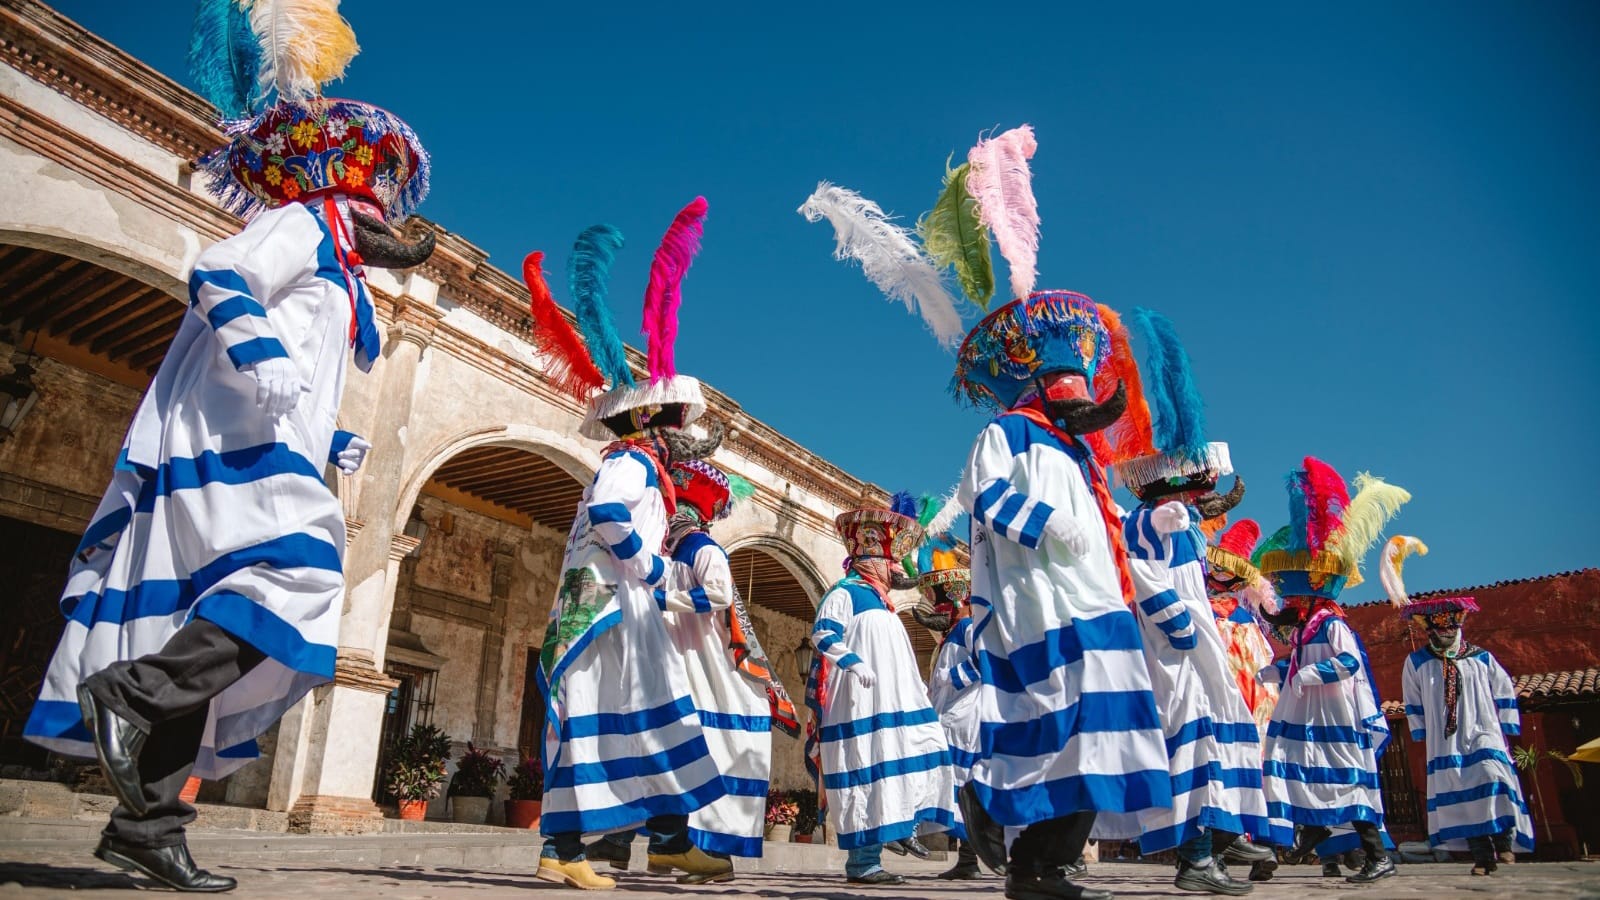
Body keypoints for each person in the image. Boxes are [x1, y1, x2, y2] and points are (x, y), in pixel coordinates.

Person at [22, 5, 433, 890]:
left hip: (265, 441)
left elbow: (305, 368)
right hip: (229, 443)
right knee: (302, 574)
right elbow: (218, 272)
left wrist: (335, 435)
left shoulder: (341, 270)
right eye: (375, 195)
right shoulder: (304, 225)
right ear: (341, 192)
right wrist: (261, 353)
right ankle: (133, 693)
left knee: (198, 619)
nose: (387, 213)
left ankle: (147, 827)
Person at [530, 200, 734, 890]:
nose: (684, 437)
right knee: (595, 717)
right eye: (677, 424)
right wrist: (653, 571)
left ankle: (671, 842)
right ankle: (561, 849)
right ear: (651, 424)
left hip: (627, 608)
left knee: (656, 718)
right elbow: (610, 512)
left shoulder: (648, 467)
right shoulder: (632, 461)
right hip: (607, 609)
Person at [1100, 309, 1272, 895]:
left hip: (1195, 643)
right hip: (1174, 646)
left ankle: (1220, 837)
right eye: (1198, 490)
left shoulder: (1178, 521)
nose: (1203, 500)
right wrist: (1178, 627)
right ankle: (1196, 858)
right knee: (1191, 734)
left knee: (1216, 729)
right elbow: (1141, 573)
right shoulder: (1157, 519)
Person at [585, 460, 799, 883]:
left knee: (703, 754)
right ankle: (626, 841)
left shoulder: (704, 549)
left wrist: (665, 602)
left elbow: (718, 595)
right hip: (674, 661)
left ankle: (710, 856)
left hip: (709, 672)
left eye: (674, 508)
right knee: (653, 749)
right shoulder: (665, 553)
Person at [1256, 458, 1409, 885]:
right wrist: (1279, 671)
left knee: (1345, 781)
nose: (1288, 601)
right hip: (1310, 718)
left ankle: (1376, 855)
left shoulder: (1332, 624)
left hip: (1335, 718)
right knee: (1297, 769)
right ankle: (1312, 831)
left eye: (1293, 595)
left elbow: (1348, 662)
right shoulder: (1307, 628)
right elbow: (1300, 662)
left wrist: (1308, 675)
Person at [806, 496, 957, 885]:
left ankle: (903, 825)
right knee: (866, 774)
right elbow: (823, 633)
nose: (899, 570)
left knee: (925, 749)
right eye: (894, 563)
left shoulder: (885, 605)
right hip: (859, 704)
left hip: (896, 705)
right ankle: (863, 862)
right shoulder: (845, 592)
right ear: (872, 560)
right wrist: (852, 662)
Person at [1391, 537, 1533, 876]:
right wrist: (1420, 731)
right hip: (1446, 739)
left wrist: (1507, 724)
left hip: (1485, 730)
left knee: (1493, 775)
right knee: (1460, 792)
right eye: (1435, 631)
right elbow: (1412, 699)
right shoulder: (1417, 662)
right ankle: (1483, 857)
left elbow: (1503, 688)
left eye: (1447, 629)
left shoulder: (1481, 658)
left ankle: (1505, 839)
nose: (1441, 635)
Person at [1203, 519, 1286, 882]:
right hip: (1232, 705)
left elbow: (1262, 666)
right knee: (1230, 773)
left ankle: (1241, 850)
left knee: (1238, 773)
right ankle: (1234, 851)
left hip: (1245, 707)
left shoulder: (1239, 620)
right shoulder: (1221, 616)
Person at [910, 533, 987, 880]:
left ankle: (967, 856)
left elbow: (985, 661)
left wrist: (949, 677)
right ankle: (967, 860)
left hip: (965, 718)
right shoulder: (952, 634)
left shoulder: (969, 627)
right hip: (950, 717)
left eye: (943, 604)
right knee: (951, 785)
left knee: (957, 783)